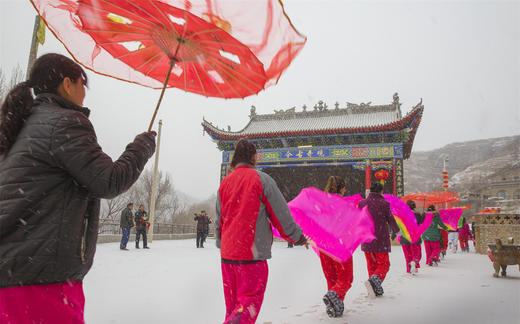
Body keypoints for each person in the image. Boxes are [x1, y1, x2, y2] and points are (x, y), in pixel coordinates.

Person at [0, 53, 156, 324]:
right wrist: (142, 147)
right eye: (82, 84)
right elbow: (109, 180)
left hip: (15, 271)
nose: (84, 93)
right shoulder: (64, 123)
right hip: (42, 278)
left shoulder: (25, 125)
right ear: (67, 84)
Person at [216, 139, 308, 323]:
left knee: (234, 308)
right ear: (253, 157)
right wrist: (297, 237)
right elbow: (281, 215)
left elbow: (220, 220)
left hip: (228, 257)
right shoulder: (262, 180)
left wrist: (223, 243)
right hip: (251, 256)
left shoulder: (225, 183)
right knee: (246, 309)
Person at [359, 182, 400, 297]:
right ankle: (373, 283)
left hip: (366, 239)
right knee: (384, 264)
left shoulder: (362, 203)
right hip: (380, 239)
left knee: (371, 265)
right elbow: (391, 219)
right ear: (381, 191)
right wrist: (397, 231)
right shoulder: (384, 204)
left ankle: (374, 288)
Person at [319, 176, 352, 318]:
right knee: (345, 279)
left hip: (324, 246)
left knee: (331, 279)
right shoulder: (344, 204)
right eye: (344, 187)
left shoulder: (322, 204)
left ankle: (335, 307)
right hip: (340, 246)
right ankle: (334, 296)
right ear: (341, 188)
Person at [400, 200, 424, 275]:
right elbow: (421, 224)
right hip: (414, 237)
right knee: (417, 254)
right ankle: (414, 262)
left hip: (404, 237)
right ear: (414, 206)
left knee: (407, 255)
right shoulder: (417, 214)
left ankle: (409, 269)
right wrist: (423, 216)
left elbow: (399, 225)